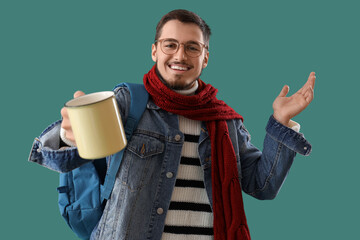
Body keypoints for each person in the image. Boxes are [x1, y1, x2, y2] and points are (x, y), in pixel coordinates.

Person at [29, 9, 315, 240]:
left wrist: (281, 122)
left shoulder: (225, 122)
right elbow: (71, 155)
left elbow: (262, 185)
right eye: (171, 45)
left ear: (205, 57)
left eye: (192, 47)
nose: (180, 55)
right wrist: (70, 135)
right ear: (155, 51)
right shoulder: (128, 103)